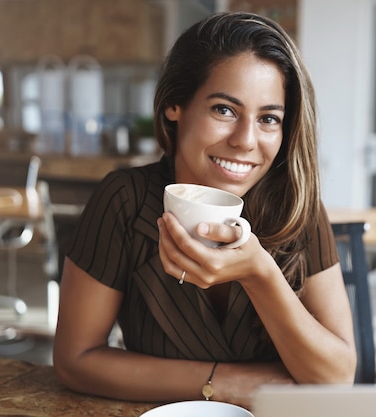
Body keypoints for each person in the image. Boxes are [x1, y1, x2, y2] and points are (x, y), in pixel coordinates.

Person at [53, 11, 357, 410]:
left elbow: (337, 379)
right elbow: (75, 361)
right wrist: (223, 382)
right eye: (224, 110)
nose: (246, 140)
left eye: (268, 118)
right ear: (175, 105)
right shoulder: (125, 201)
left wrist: (259, 274)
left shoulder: (297, 207)